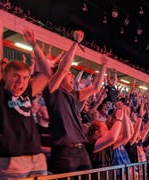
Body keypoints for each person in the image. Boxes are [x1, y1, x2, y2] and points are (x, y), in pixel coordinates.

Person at [42, 29, 108, 174]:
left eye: (72, 76)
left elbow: (96, 87)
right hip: (64, 151)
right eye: (69, 75)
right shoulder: (53, 91)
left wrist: (104, 66)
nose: (71, 76)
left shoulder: (73, 95)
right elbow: (64, 67)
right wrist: (75, 43)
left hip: (81, 149)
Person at [0, 15, 51, 179]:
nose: (21, 81)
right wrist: (0, 30)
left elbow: (47, 73)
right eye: (16, 76)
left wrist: (34, 45)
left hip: (37, 159)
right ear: (5, 76)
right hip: (12, 162)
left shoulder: (28, 91)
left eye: (26, 77)